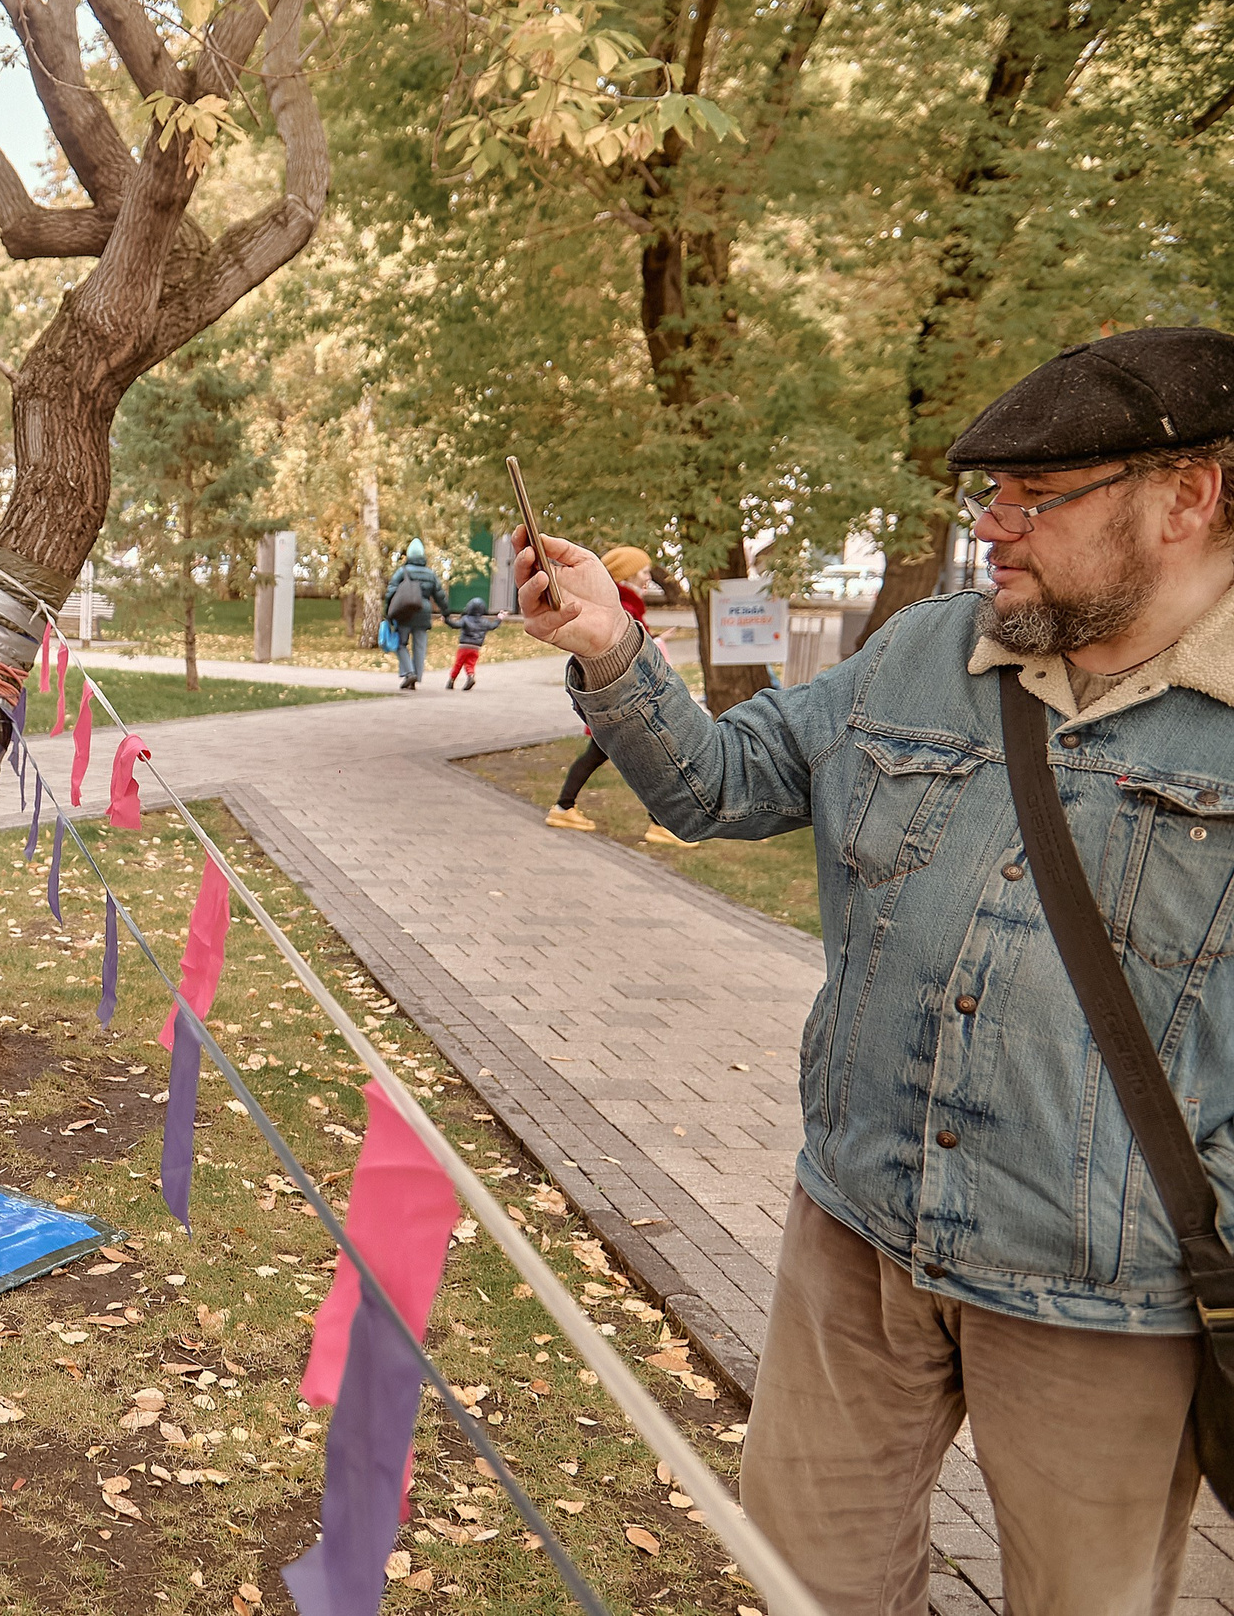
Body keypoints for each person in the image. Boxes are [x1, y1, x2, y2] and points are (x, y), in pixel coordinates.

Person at [515, 326, 1234, 1615]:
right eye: (989, 494)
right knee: (803, 1582)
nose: (992, 526)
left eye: (1035, 496)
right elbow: (719, 782)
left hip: (1104, 1307)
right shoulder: (923, 652)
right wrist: (610, 646)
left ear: (1187, 494)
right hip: (856, 1240)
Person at [544, 547, 695, 848]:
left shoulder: (626, 605)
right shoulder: (623, 607)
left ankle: (563, 808)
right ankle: (660, 825)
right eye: (643, 571)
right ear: (627, 575)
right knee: (649, 763)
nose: (648, 577)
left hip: (615, 703)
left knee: (603, 757)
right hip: (621, 703)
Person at [383, 538, 451, 689]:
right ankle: (416, 678)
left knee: (401, 644)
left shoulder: (402, 571)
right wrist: (446, 613)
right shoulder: (430, 574)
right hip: (423, 612)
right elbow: (440, 595)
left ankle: (409, 673)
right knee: (420, 647)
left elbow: (390, 592)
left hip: (405, 612)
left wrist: (387, 613)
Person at [445, 597, 500, 690]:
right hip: (476, 647)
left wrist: (447, 620)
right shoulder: (485, 621)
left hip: (464, 646)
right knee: (470, 664)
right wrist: (499, 619)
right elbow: (493, 626)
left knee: (458, 664)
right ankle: (470, 676)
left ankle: (451, 680)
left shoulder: (465, 619)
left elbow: (456, 625)